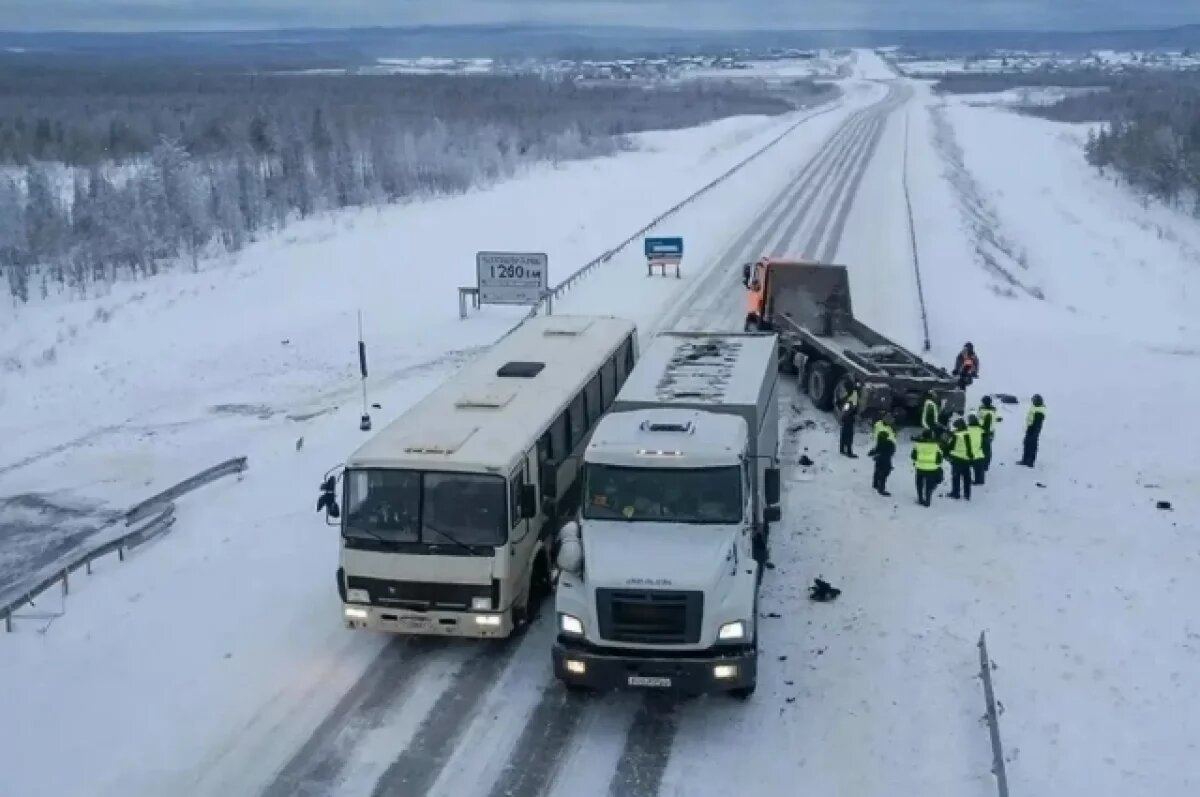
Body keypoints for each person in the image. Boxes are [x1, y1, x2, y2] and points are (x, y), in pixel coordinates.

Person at [911, 429, 944, 507]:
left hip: (920, 468)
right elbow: (939, 458)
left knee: (919, 483)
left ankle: (920, 499)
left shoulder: (917, 445)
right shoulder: (936, 446)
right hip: (932, 469)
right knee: (929, 485)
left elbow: (913, 456)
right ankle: (928, 501)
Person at [868, 412, 896, 495]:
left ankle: (875, 483)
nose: (892, 421)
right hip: (886, 449)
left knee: (878, 466)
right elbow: (883, 440)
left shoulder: (879, 424)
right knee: (885, 470)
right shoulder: (884, 430)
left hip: (882, 448)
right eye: (891, 420)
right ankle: (881, 488)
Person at [948, 417, 975, 500]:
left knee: (956, 477)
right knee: (967, 477)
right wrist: (971, 457)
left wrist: (946, 452)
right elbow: (969, 447)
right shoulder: (967, 434)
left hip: (956, 458)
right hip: (966, 459)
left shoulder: (957, 435)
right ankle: (967, 494)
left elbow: (951, 446)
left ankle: (956, 493)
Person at [1019, 394, 1047, 467]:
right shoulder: (1036, 408)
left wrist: (1034, 431)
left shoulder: (1039, 411)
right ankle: (1025, 460)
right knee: (1027, 443)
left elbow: (1037, 423)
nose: (1033, 402)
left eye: (1034, 400)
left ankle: (1030, 461)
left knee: (1032, 445)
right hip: (1031, 428)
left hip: (1034, 430)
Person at [838, 377, 860, 458]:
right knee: (849, 435)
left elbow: (841, 403)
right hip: (849, 418)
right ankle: (849, 452)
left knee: (844, 433)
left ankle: (842, 449)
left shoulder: (849, 395)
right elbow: (851, 408)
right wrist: (852, 413)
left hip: (845, 417)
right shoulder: (853, 396)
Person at [978, 395, 1000, 473]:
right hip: (990, 432)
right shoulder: (993, 410)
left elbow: (982, 421)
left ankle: (984, 465)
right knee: (987, 449)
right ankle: (985, 464)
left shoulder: (984, 411)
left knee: (984, 449)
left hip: (984, 432)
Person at [967, 414, 987, 485]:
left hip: (969, 453)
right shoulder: (980, 429)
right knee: (979, 468)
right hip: (979, 453)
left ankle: (967, 479)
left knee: (966, 468)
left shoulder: (967, 429)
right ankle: (980, 480)